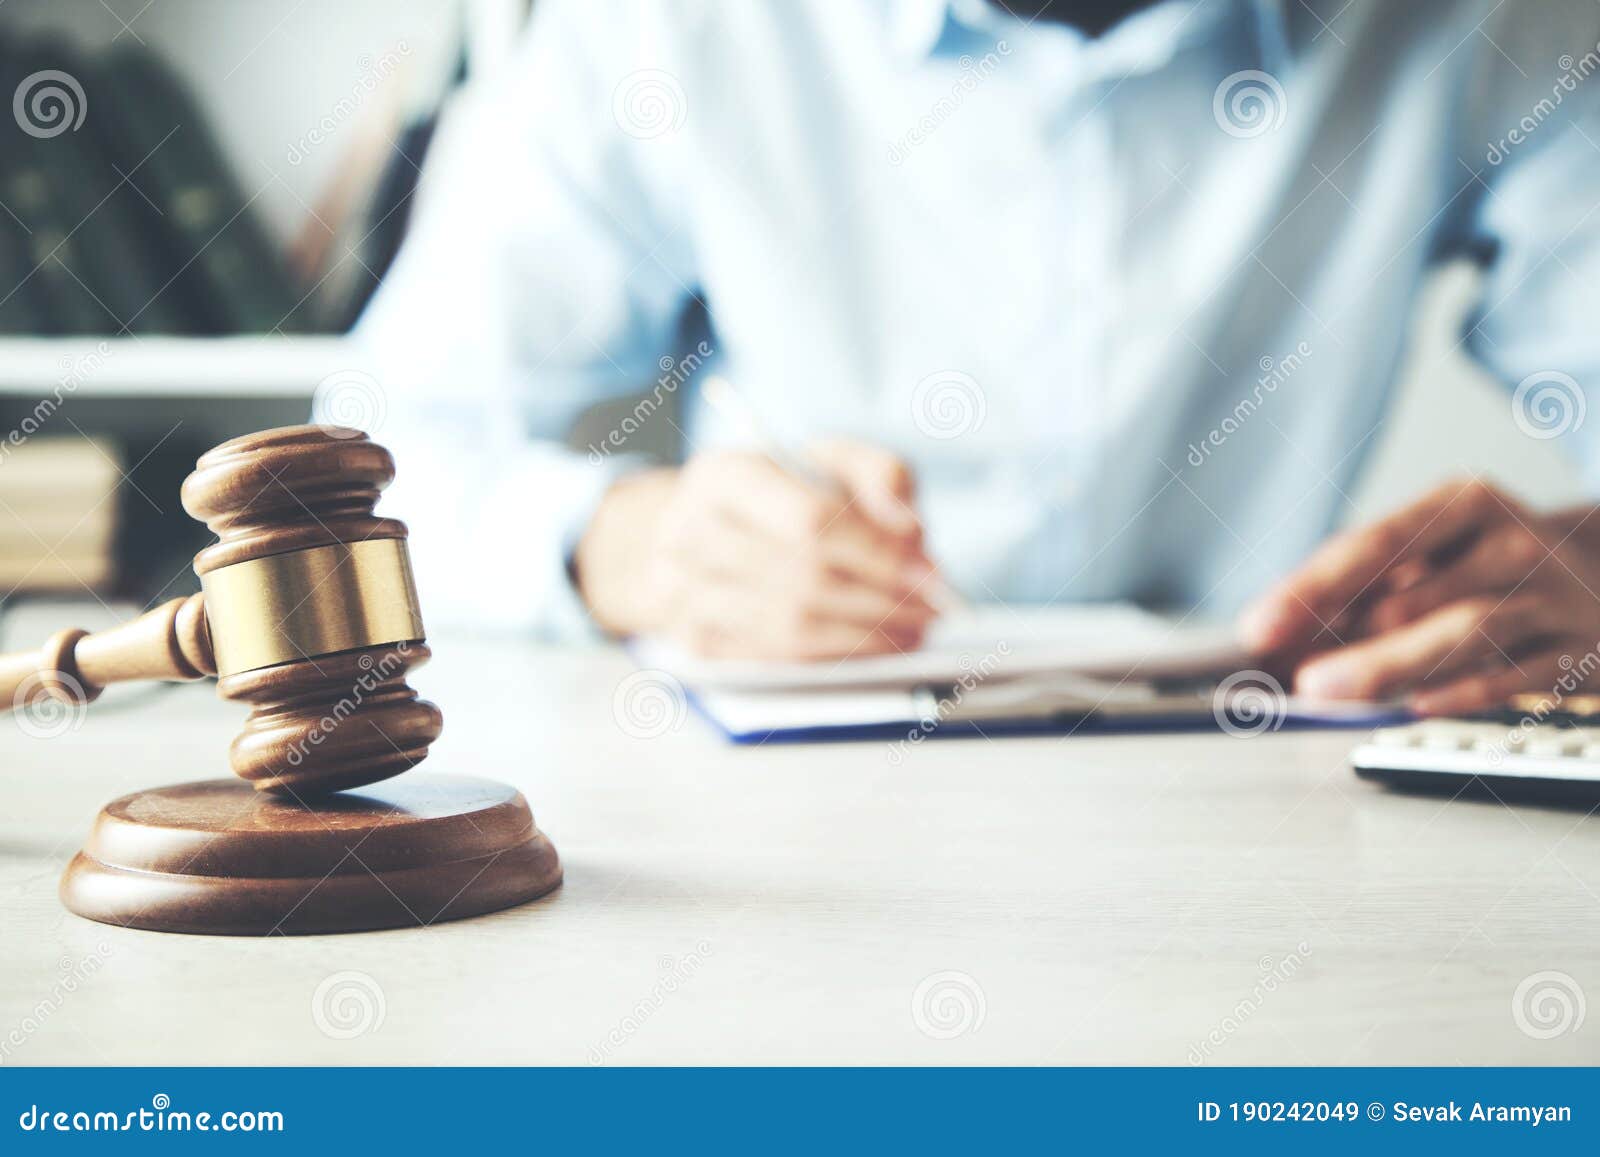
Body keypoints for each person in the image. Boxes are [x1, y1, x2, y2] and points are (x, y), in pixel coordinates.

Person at [358, 0, 1600, 714]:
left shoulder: (1494, 22)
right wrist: (624, 544)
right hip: (779, 834)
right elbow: (376, 458)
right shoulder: (660, 26)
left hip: (1283, 795)